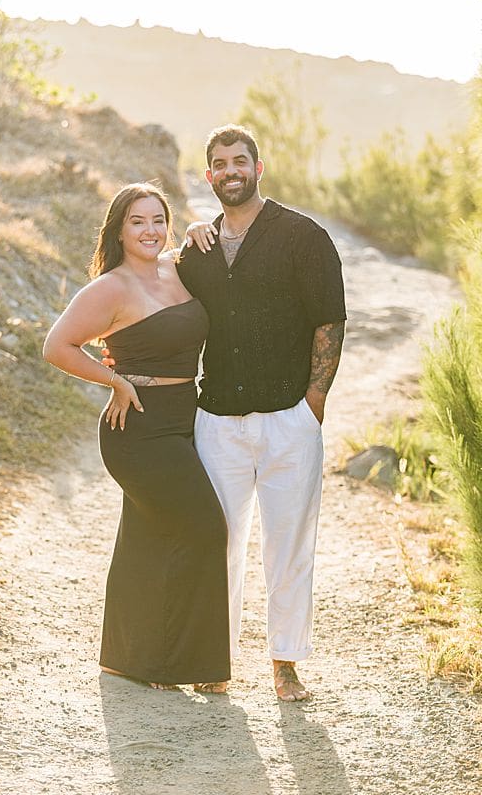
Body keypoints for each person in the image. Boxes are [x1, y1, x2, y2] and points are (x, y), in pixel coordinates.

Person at [178, 124, 346, 701]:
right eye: (220, 163)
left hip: (288, 419)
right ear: (209, 175)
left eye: (240, 161)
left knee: (289, 545)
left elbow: (329, 320)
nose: (231, 171)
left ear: (258, 167)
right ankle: (215, 659)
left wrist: (313, 404)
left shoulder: (303, 236)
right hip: (217, 420)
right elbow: (161, 295)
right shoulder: (198, 251)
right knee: (217, 543)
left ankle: (285, 665)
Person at [43, 182, 230, 692]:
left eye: (157, 220)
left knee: (149, 536)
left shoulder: (176, 268)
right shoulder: (110, 288)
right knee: (205, 527)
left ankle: (128, 659)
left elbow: (203, 246)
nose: (150, 231)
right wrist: (114, 380)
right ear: (119, 232)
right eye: (137, 221)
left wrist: (198, 228)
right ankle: (191, 666)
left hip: (183, 420)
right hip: (138, 428)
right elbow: (57, 346)